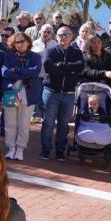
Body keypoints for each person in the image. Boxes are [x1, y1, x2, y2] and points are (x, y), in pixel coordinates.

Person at [39, 27, 85, 161]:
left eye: (66, 35)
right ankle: (46, 150)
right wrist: (70, 70)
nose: (63, 37)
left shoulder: (77, 52)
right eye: (60, 35)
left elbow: (80, 67)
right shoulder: (50, 51)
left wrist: (61, 65)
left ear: (72, 37)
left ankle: (60, 151)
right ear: (56, 36)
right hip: (51, 92)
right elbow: (48, 67)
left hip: (68, 94)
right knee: (48, 123)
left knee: (64, 124)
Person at [1, 32, 42, 161]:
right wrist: (25, 74)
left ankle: (20, 149)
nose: (20, 44)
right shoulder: (9, 56)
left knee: (23, 124)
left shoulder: (35, 56)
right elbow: (5, 72)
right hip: (12, 92)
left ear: (28, 42)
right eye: (17, 42)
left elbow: (35, 71)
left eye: (22, 41)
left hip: (28, 94)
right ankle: (11, 148)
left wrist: (17, 70)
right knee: (10, 122)